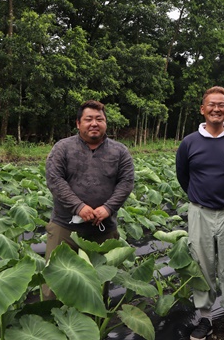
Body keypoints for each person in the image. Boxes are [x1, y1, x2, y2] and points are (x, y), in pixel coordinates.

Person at [176, 86, 224, 340]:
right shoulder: (189, 142)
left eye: (221, 105)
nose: (216, 109)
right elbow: (183, 176)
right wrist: (200, 197)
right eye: (211, 104)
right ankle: (205, 319)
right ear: (203, 109)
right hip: (199, 213)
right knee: (202, 266)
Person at [43, 100, 134, 300]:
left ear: (106, 123)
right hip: (64, 227)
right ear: (78, 123)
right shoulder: (63, 148)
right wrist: (78, 206)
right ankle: (52, 321)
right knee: (55, 281)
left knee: (98, 287)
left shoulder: (120, 152)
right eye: (89, 119)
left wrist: (108, 208)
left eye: (99, 119)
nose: (94, 123)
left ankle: (92, 325)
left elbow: (126, 182)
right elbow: (55, 179)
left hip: (103, 229)